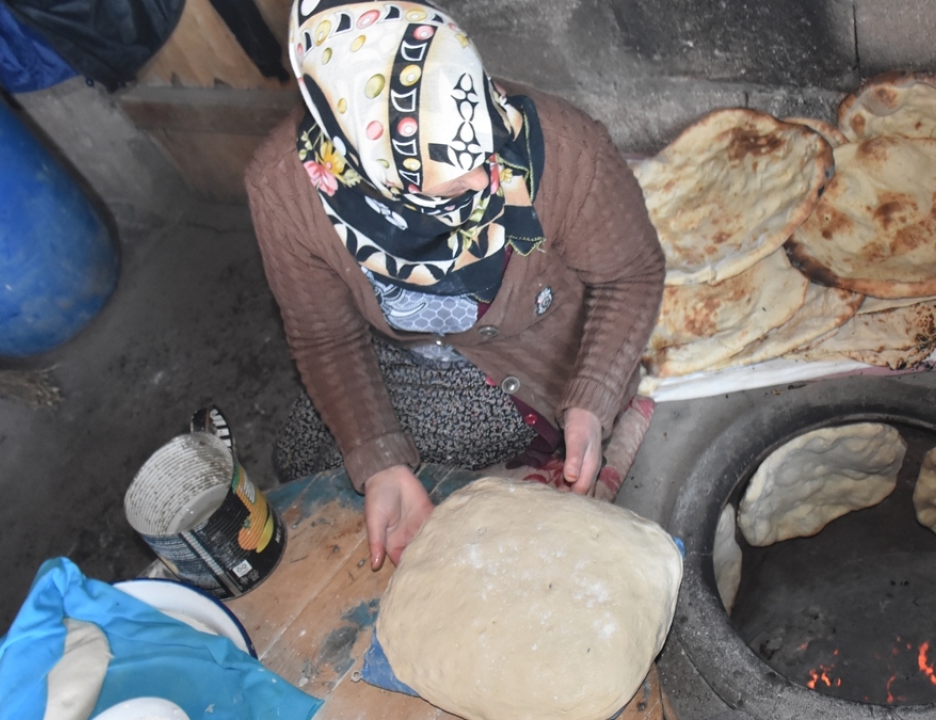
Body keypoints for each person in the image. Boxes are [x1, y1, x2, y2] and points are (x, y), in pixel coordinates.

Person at [246, 0, 663, 571]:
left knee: (423, 455)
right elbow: (325, 337)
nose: (485, 179)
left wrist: (593, 398)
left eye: (485, 151)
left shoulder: (565, 152)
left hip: (534, 355)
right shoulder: (287, 191)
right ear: (366, 162)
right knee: (304, 451)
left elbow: (632, 274)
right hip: (407, 349)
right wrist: (379, 459)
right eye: (444, 185)